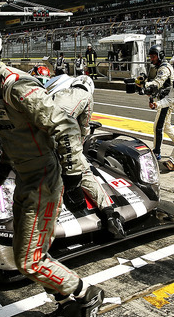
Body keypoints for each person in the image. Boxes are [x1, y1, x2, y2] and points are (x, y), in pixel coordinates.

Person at [0, 18, 104, 317]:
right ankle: (65, 303)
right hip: (25, 180)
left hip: (43, 181)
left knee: (29, 261)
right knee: (28, 253)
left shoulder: (15, 85)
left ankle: (87, 293)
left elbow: (63, 124)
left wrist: (73, 169)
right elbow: (11, 139)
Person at [45, 74, 125, 238]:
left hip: (40, 137)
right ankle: (110, 215)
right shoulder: (87, 96)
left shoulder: (59, 93)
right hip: (62, 139)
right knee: (85, 171)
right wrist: (78, 147)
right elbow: (84, 126)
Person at [142, 44, 174, 160]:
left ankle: (157, 152)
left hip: (167, 100)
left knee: (158, 126)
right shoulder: (160, 67)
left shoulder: (164, 68)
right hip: (166, 99)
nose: (152, 59)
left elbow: (158, 82)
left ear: (160, 56)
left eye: (154, 56)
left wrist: (144, 85)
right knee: (167, 126)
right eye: (150, 57)